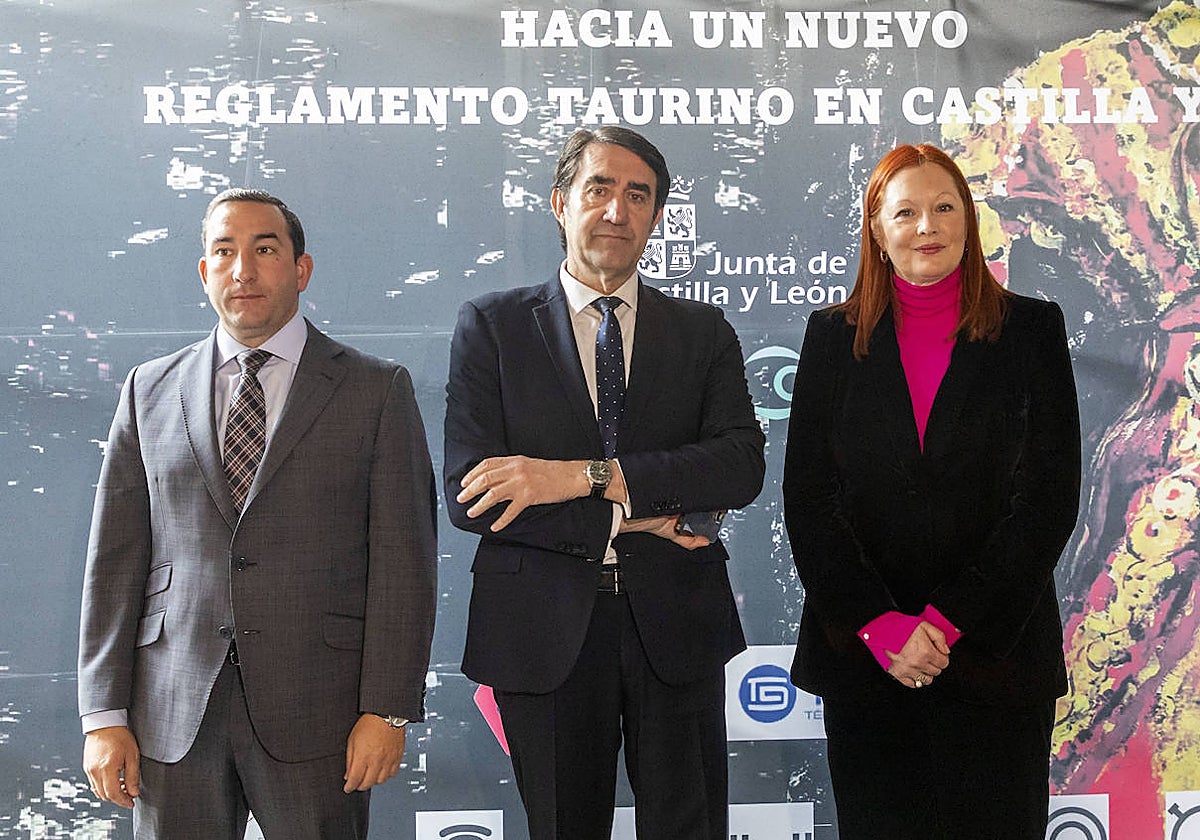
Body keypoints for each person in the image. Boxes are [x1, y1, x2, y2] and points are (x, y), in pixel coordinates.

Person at [77, 188, 438, 839]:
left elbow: (403, 563)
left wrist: (387, 709)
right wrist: (103, 715)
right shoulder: (148, 388)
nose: (242, 269)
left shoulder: (375, 389)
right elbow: (114, 561)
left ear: (301, 269)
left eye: (264, 250)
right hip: (172, 715)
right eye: (224, 251)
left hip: (321, 714)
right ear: (204, 271)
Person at [444, 126, 765, 839]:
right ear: (560, 203)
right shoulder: (492, 326)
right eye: (599, 188)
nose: (617, 210)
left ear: (655, 216)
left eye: (638, 195)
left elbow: (740, 464)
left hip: (676, 624)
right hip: (543, 630)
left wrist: (582, 478)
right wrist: (628, 515)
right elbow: (473, 493)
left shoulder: (703, 331)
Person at [782, 143, 1081, 840]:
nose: (927, 226)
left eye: (944, 207)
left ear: (969, 222)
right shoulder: (831, 338)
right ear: (877, 230)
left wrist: (945, 623)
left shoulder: (1032, 331)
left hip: (994, 658)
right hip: (870, 662)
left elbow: (1047, 500)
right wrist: (882, 626)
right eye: (906, 211)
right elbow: (809, 500)